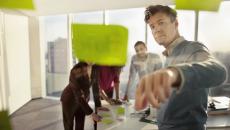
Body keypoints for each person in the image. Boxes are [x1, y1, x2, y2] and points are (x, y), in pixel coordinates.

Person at [135, 5, 227, 130]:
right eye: (152, 26)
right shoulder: (168, 57)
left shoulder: (193, 48)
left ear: (176, 23)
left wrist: (175, 74)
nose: (156, 30)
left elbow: (218, 71)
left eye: (161, 23)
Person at [60, 62, 102, 130]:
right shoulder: (76, 69)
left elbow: (96, 87)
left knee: (80, 125)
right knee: (69, 125)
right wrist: (91, 114)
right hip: (69, 100)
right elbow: (78, 94)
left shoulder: (95, 68)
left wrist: (98, 106)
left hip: (83, 101)